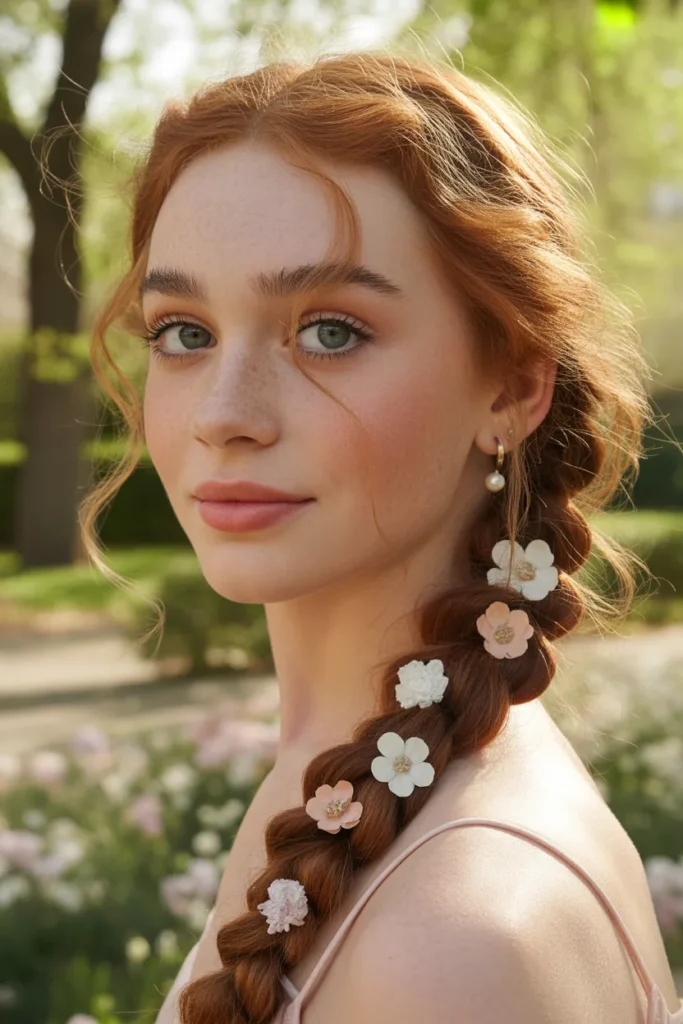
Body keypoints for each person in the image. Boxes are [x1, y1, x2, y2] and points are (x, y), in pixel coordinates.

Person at [80, 49, 683, 1024]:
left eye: (329, 332)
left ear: (511, 386)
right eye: (183, 332)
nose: (223, 414)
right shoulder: (347, 775)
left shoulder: (452, 944)